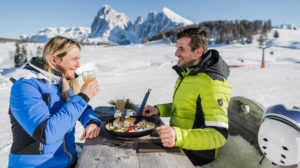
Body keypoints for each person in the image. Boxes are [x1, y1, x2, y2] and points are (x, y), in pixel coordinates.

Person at [143, 28, 232, 166]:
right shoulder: (188, 74)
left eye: (181, 49)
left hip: (196, 154)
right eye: (176, 48)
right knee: (136, 146)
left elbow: (218, 135)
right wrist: (159, 110)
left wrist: (178, 136)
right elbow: (185, 106)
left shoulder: (213, 83)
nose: (176, 53)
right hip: (179, 143)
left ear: (198, 52)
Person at [8, 36, 101, 168]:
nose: (78, 64)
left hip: (68, 162)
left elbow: (82, 108)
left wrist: (91, 122)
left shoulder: (59, 82)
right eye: (74, 59)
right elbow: (46, 133)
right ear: (54, 59)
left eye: (78, 59)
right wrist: (83, 97)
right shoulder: (25, 86)